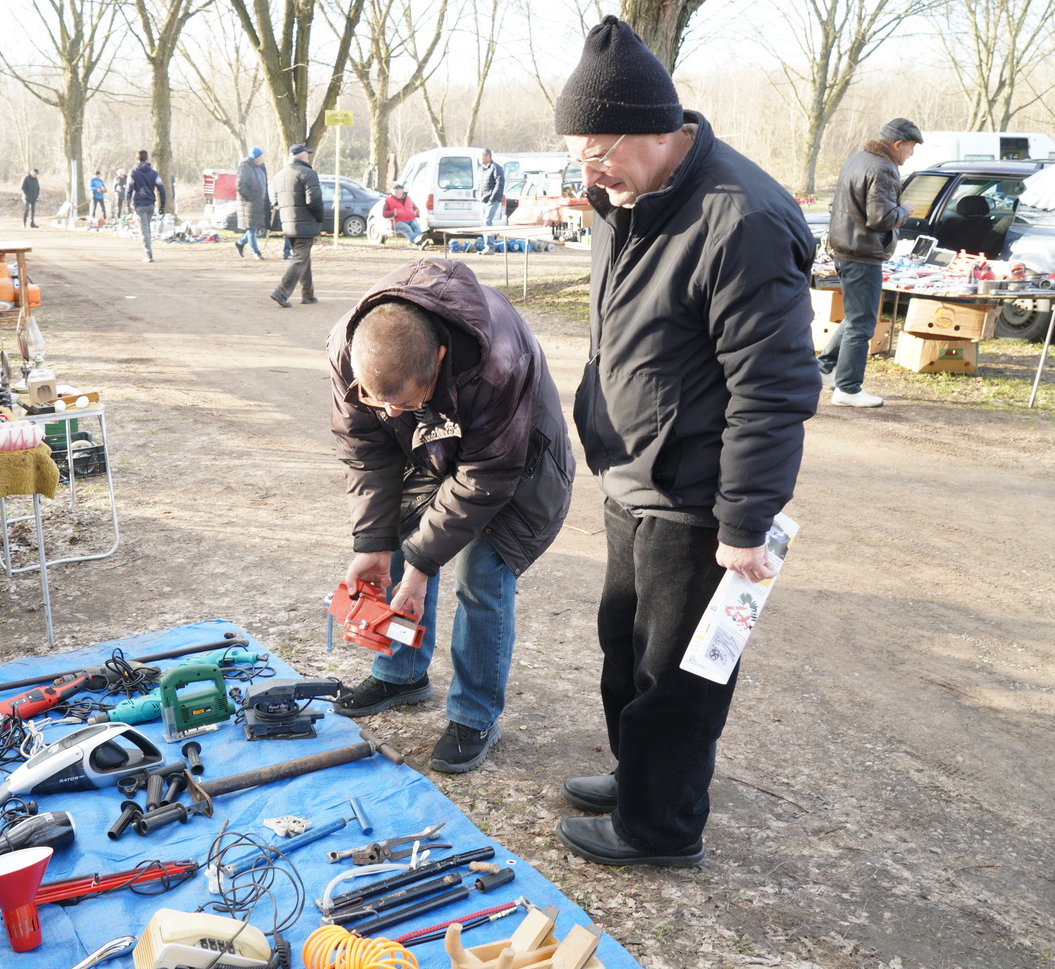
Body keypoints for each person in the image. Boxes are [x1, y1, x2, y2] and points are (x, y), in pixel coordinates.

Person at [552, 16, 821, 867]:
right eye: (579, 157)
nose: (589, 173)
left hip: (698, 497)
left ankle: (659, 827)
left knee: (678, 675)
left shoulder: (742, 221)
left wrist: (744, 521)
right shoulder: (626, 200)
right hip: (632, 478)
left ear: (652, 129)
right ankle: (636, 777)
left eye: (598, 154)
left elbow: (773, 389)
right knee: (625, 650)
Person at [329, 258, 574, 773]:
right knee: (398, 540)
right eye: (378, 401)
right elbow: (367, 452)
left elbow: (487, 476)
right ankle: (401, 674)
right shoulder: (348, 349)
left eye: (403, 402)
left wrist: (422, 567)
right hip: (432, 444)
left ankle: (474, 714)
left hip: (514, 455)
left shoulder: (498, 363)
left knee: (482, 573)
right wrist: (372, 543)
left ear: (438, 360)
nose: (389, 413)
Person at [819, 118, 923, 408]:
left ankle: (825, 368)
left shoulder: (857, 159)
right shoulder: (883, 168)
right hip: (862, 253)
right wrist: (905, 210)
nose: (911, 154)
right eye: (911, 148)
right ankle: (848, 389)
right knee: (862, 324)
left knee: (857, 317)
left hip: (846, 248)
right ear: (898, 144)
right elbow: (881, 219)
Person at [270, 144, 323, 307]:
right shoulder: (308, 173)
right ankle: (281, 292)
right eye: (307, 154)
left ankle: (308, 294)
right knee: (300, 258)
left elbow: (275, 202)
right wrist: (319, 218)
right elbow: (314, 200)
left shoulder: (279, 175)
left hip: (288, 224)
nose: (308, 157)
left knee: (303, 257)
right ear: (301, 156)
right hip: (304, 223)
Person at [127, 150, 167, 263]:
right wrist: (162, 205)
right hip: (150, 204)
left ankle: (148, 255)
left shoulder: (133, 172)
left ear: (136, 158)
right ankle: (148, 252)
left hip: (140, 204)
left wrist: (127, 204)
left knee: (144, 229)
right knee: (147, 228)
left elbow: (129, 189)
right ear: (147, 158)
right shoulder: (153, 173)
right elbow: (161, 189)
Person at [234, 148, 270, 260]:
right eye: (260, 157)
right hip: (249, 203)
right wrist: (251, 197)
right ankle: (256, 252)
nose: (262, 158)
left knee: (255, 227)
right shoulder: (245, 167)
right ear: (254, 158)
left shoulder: (261, 167)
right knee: (251, 228)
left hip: (259, 202)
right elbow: (240, 185)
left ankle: (240, 242)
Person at [479, 149, 506, 251]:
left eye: (481, 156)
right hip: (483, 199)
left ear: (487, 156)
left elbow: (500, 183)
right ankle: (486, 246)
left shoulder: (496, 167)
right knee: (483, 223)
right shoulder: (482, 169)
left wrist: (493, 197)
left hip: (492, 199)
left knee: (487, 221)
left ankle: (490, 247)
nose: (480, 159)